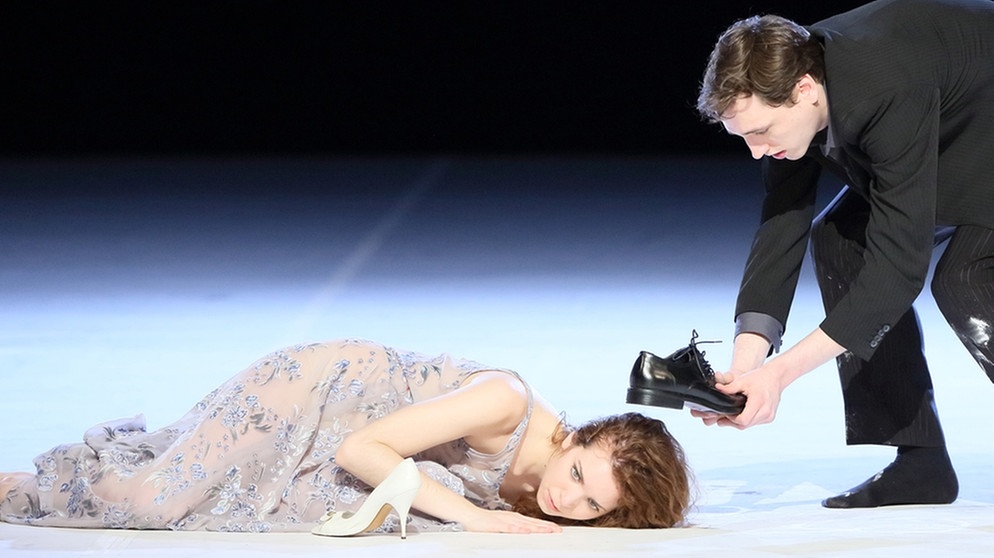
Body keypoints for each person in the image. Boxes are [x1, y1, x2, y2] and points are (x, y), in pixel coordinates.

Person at [692, 0, 994, 509]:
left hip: (976, 124)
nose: (755, 151)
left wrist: (781, 374)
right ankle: (920, 463)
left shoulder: (886, 85)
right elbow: (781, 221)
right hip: (958, 121)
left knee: (966, 277)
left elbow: (900, 269)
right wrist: (748, 366)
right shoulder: (790, 76)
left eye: (759, 132)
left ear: (805, 91)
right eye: (742, 137)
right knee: (839, 240)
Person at [0, 338, 691, 533]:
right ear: (577, 438)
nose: (569, 501)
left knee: (233, 505)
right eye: (577, 476)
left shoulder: (551, 499)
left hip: (365, 437)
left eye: (593, 505)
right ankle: (22, 487)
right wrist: (476, 520)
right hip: (316, 393)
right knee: (153, 501)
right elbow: (359, 450)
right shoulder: (505, 403)